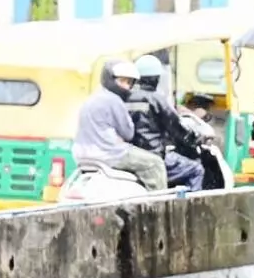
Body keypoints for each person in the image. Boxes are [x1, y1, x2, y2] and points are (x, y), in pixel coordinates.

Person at [73, 59, 168, 190]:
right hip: (109, 153)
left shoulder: (93, 97)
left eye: (128, 82)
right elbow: (128, 133)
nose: (126, 86)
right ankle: (158, 202)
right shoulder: (114, 100)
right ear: (110, 79)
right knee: (155, 163)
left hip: (82, 156)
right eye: (122, 81)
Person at [127, 55, 204, 189]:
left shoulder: (124, 97)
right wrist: (193, 138)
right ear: (156, 78)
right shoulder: (157, 100)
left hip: (129, 156)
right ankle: (191, 203)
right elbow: (176, 127)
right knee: (196, 170)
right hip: (153, 156)